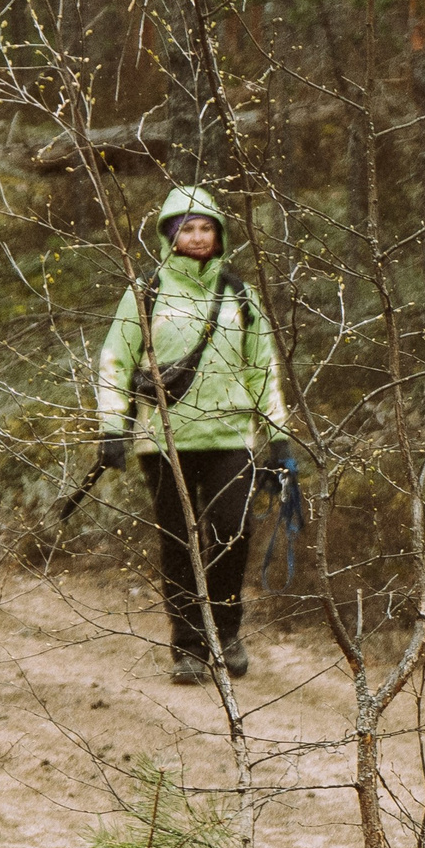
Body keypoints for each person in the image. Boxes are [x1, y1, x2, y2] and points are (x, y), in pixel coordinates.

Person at [93, 186, 290, 685]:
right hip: (164, 441)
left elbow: (261, 367)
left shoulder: (239, 295)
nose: (198, 236)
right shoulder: (145, 292)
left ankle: (226, 632)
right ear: (169, 235)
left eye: (206, 227)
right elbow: (115, 361)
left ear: (219, 234)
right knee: (178, 542)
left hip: (230, 437)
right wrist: (112, 428)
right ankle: (188, 647)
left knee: (231, 532)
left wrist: (278, 436)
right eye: (187, 227)